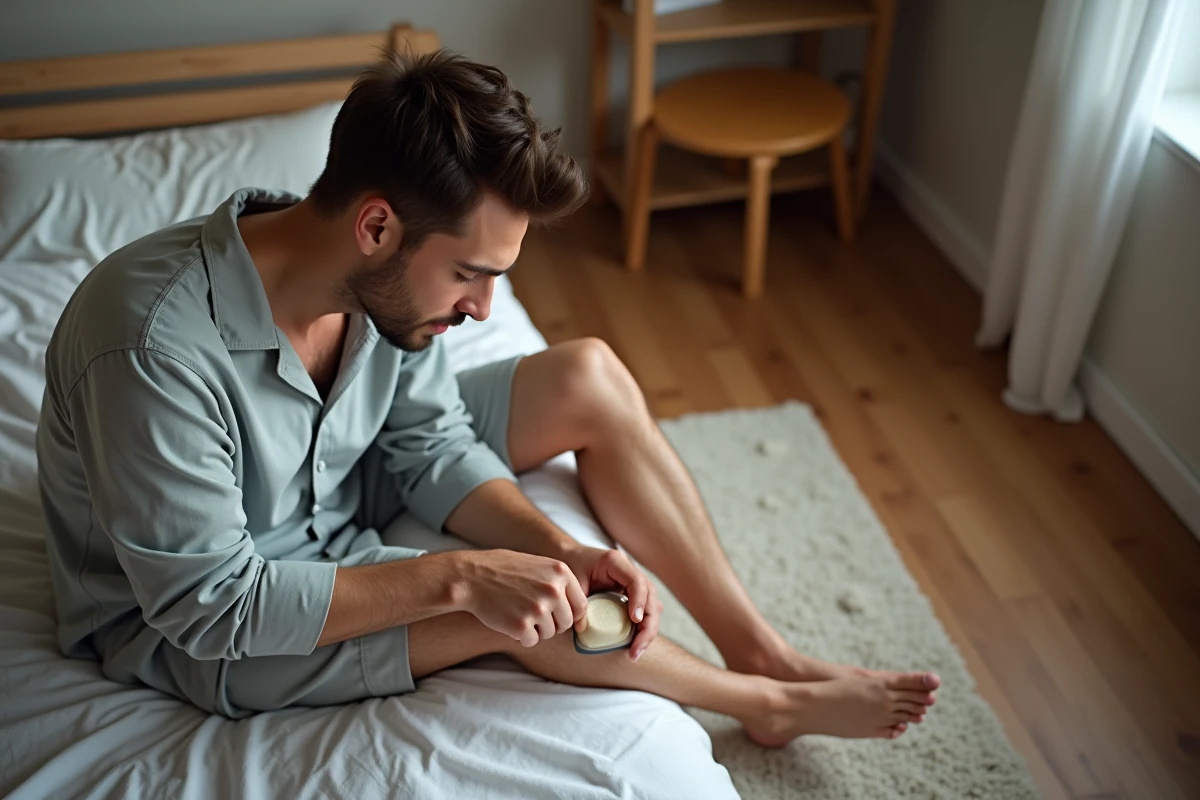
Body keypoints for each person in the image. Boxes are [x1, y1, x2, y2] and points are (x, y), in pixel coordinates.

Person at [36, 48, 938, 742]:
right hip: (216, 620)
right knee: (515, 608)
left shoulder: (382, 299)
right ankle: (764, 700)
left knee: (585, 374)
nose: (483, 308)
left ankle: (758, 644)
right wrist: (461, 577)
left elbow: (427, 442)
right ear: (377, 225)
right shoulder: (149, 346)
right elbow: (213, 608)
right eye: (470, 273)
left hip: (348, 484)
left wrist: (557, 543)